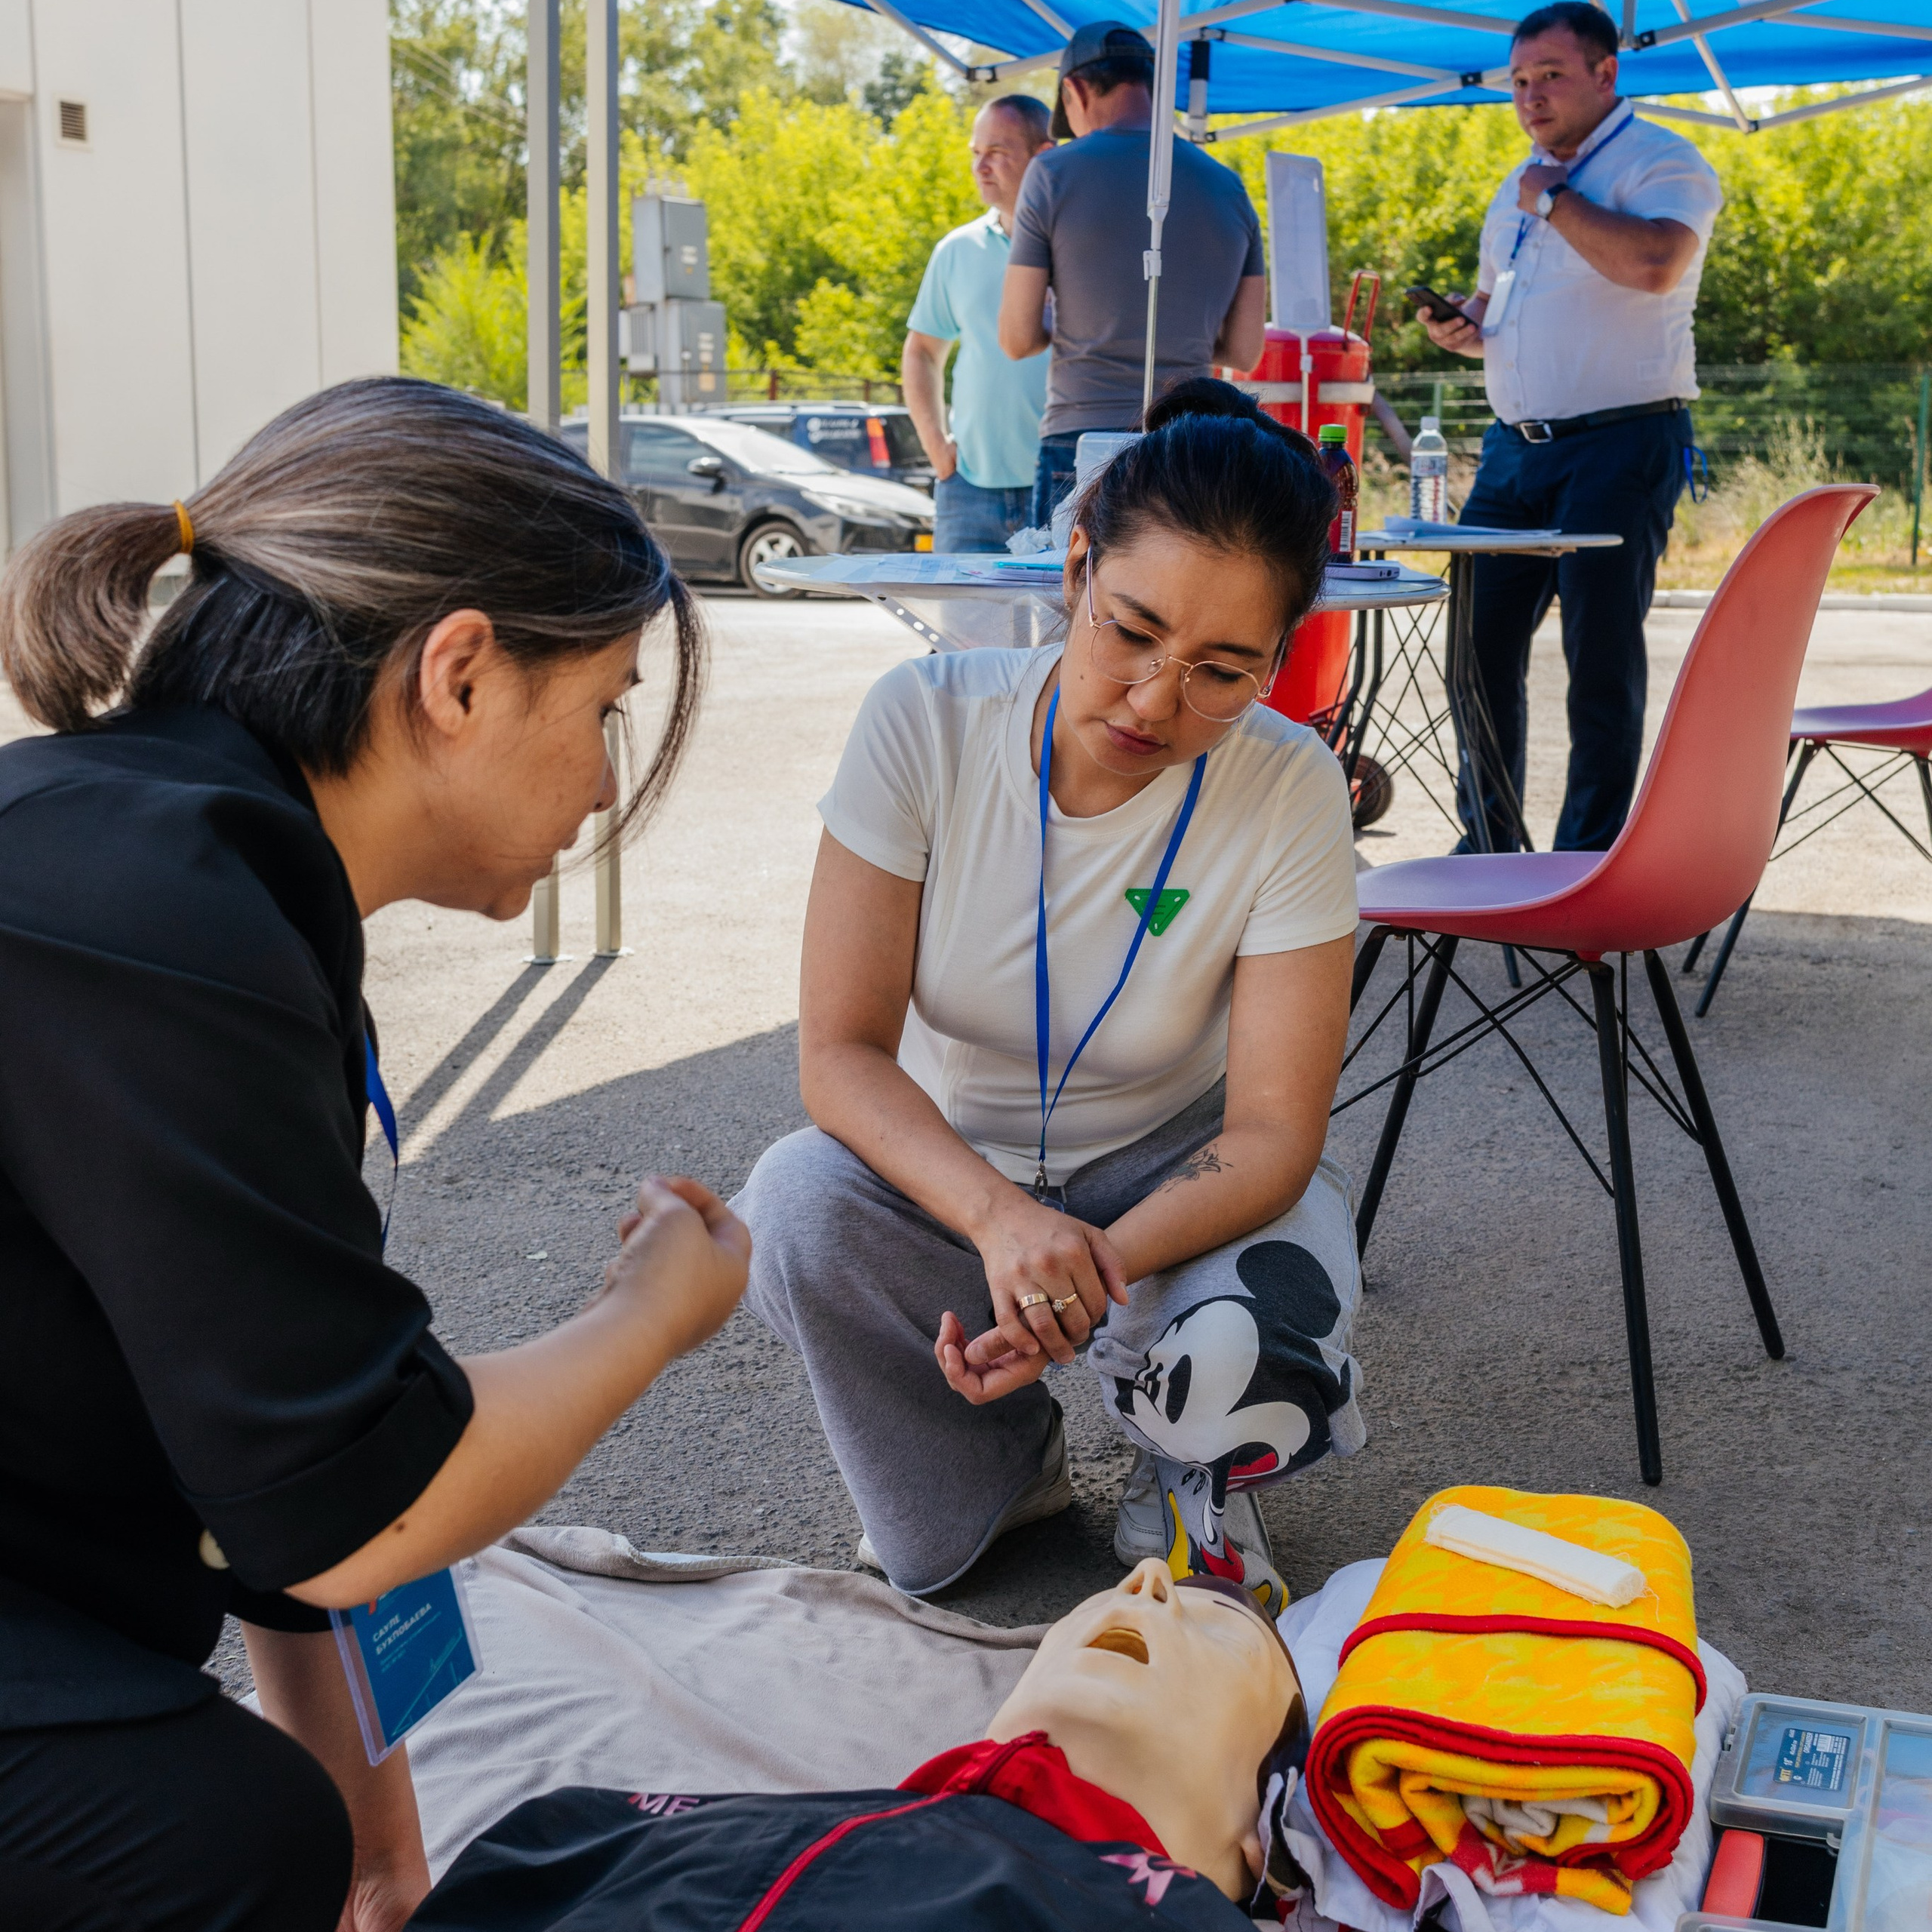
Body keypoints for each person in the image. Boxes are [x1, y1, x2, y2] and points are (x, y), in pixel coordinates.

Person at [0, 377, 751, 1930]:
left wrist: (380, 1847)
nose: (606, 781)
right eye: (603, 706)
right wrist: (651, 1316)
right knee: (206, 1842)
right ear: (461, 674)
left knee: (278, 1833)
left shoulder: (180, 857)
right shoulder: (165, 919)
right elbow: (368, 1511)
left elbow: (288, 1448)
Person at [734, 380, 1364, 1620]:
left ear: (1278, 664)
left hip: (1166, 1174)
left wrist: (1096, 1261)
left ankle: (1184, 1474)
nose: (1152, 700)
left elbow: (1276, 1137)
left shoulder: (1290, 786)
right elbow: (841, 1057)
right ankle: (995, 1469)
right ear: (1075, 567)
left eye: (1221, 672)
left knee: (1282, 1313)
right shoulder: (925, 721)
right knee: (796, 1206)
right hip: (956, 1176)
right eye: (1130, 630)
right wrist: (999, 1223)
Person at [411, 1559, 1309, 1929]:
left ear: (1260, 1846)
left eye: (1222, 1632)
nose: (1148, 1580)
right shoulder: (589, 1826)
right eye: (1114, 1588)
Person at [1417, 0, 1722, 854]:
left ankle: (1586, 859)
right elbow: (1503, 295)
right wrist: (1466, 323)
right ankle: (1490, 841)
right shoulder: (1518, 183)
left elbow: (1655, 264)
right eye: (1518, 81)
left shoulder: (1663, 161)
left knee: (1599, 667)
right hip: (1515, 454)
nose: (1530, 97)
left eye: (1550, 76)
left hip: (1619, 448)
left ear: (1605, 73)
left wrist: (1552, 200)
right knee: (1473, 653)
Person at [998, 23, 1267, 531]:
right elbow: (1245, 351)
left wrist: (1083, 319)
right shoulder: (1228, 188)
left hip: (1082, 443)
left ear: (1074, 91)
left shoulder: (1051, 174)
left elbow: (1015, 338)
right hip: (1191, 445)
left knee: (1075, 608)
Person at [903, 94, 1055, 553]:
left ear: (1042, 156)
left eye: (998, 153)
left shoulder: (1077, 247)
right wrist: (937, 447)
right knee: (962, 631)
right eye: (976, 153)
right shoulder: (957, 249)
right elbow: (922, 351)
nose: (980, 167)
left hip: (1065, 488)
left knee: (1067, 629)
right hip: (966, 490)